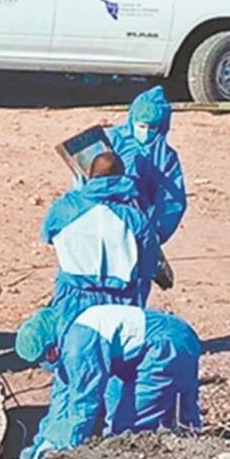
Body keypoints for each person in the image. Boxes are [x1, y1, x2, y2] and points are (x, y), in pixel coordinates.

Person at [15, 304, 202, 459]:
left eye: (48, 356)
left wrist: (64, 450)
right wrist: (43, 442)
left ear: (53, 345)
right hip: (144, 352)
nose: (46, 363)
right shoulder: (66, 335)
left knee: (130, 430)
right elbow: (61, 398)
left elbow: (84, 401)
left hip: (166, 344)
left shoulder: (78, 345)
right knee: (115, 413)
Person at [43, 151, 159, 318]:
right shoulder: (136, 219)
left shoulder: (64, 209)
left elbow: (48, 234)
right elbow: (147, 266)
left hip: (72, 298)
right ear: (123, 177)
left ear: (89, 175)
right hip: (121, 300)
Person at [106, 86, 186, 246]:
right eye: (141, 126)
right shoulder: (112, 140)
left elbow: (172, 200)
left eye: (152, 128)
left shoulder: (165, 157)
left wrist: (155, 234)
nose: (146, 132)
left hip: (139, 224)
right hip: (106, 216)